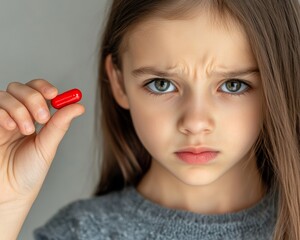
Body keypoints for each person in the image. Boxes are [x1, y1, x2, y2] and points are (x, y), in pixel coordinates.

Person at [0, 0, 299, 239]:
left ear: (280, 83)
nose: (195, 123)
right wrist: (5, 205)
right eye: (161, 84)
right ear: (118, 82)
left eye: (233, 85)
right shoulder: (79, 233)